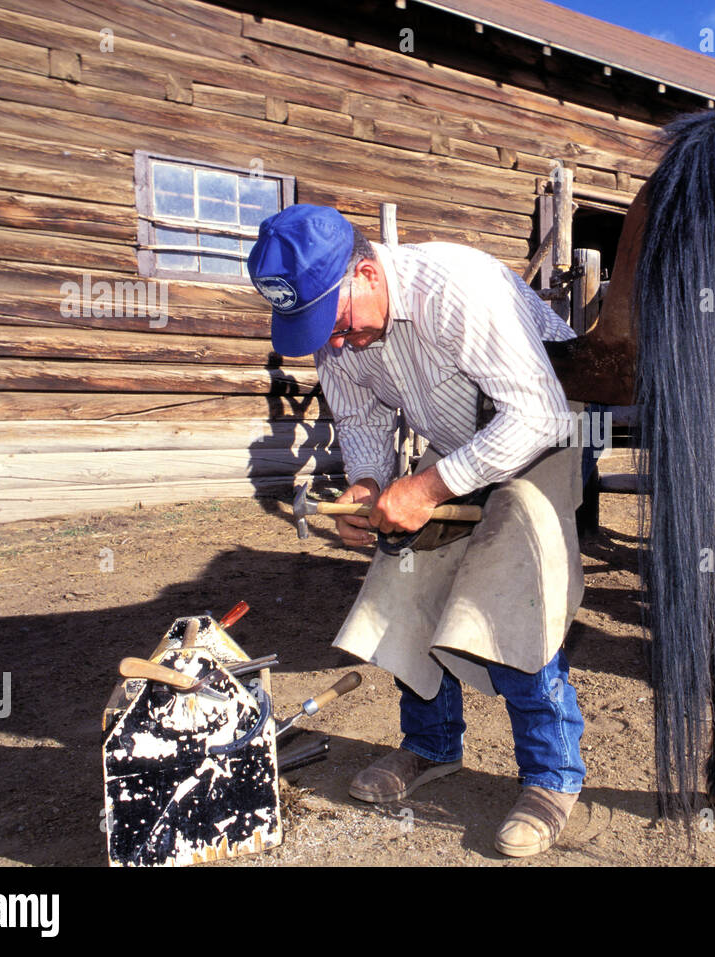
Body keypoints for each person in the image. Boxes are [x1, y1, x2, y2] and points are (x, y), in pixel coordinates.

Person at [247, 204, 587, 857]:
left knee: (513, 584)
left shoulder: (456, 288)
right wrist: (368, 489)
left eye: (336, 321)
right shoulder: (340, 329)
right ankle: (431, 745)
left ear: (367, 272)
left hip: (547, 429)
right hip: (466, 443)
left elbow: (538, 414)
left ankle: (551, 776)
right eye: (319, 330)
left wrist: (427, 487)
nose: (335, 341)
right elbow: (363, 423)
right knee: (401, 579)